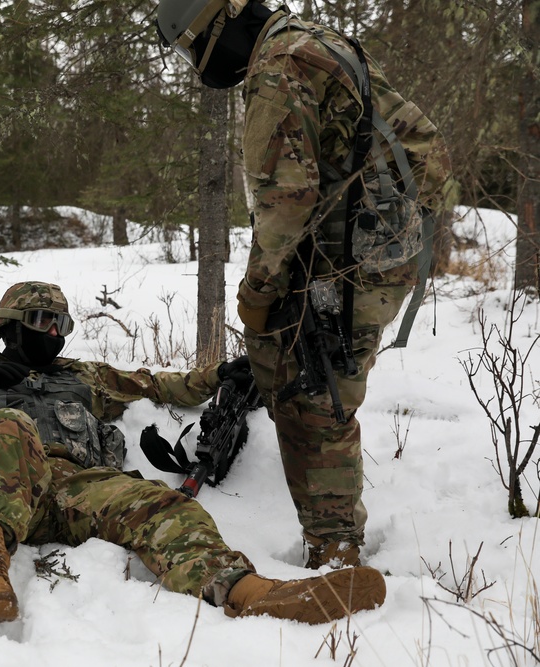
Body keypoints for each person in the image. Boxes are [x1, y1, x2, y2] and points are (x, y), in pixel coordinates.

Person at [157, 0, 451, 568]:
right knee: (323, 385)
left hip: (348, 261)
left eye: (194, 48)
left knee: (311, 397)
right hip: (376, 251)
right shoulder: (314, 41)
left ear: (219, 26)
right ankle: (334, 532)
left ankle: (336, 548)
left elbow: (284, 199)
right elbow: (420, 143)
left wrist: (258, 292)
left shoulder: (279, 66)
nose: (199, 65)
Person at [0, 281, 386, 627]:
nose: (54, 333)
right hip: (4, 492)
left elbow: (155, 384)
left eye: (61, 324)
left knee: (168, 506)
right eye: (43, 321)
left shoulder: (84, 377)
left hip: (78, 489)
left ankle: (249, 592)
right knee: (10, 426)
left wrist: (218, 374)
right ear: (10, 325)